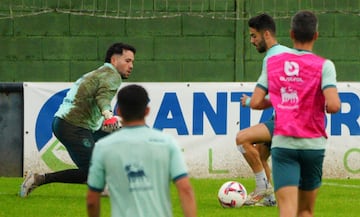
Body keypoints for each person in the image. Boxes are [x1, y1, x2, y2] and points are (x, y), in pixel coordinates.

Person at [250, 10, 341, 217]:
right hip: (313, 146)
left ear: (291, 35)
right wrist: (325, 105)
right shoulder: (324, 66)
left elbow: (255, 102)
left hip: (284, 145)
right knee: (306, 211)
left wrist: (279, 100)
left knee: (287, 211)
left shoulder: (274, 62)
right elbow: (334, 105)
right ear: (316, 36)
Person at [20, 42, 136, 197]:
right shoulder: (112, 76)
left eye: (132, 61)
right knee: (91, 173)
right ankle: (38, 179)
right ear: (114, 61)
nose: (131, 65)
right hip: (73, 126)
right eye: (127, 61)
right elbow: (103, 97)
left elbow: (96, 97)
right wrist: (108, 114)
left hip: (75, 123)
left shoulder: (101, 73)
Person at [86, 84, 197, 217]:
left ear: (119, 112)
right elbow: (185, 189)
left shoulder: (103, 147)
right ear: (147, 111)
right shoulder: (167, 143)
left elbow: (92, 200)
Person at [235, 13, 288, 206]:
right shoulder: (289, 53)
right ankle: (270, 198)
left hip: (287, 120)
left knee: (242, 139)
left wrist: (249, 102)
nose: (251, 41)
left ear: (266, 34)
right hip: (288, 117)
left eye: (253, 36)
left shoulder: (271, 59)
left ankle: (261, 188)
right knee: (260, 153)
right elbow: (277, 97)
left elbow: (258, 101)